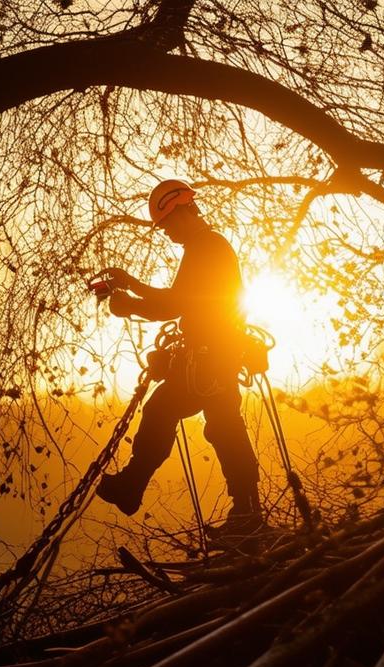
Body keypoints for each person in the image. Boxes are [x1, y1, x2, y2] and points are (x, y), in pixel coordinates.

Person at [95, 179, 263, 535]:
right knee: (222, 427)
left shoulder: (208, 248)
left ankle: (133, 486)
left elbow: (175, 303)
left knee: (173, 413)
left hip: (213, 357)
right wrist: (132, 290)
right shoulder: (204, 247)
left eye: (168, 224)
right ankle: (247, 512)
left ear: (184, 212)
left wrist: (131, 301)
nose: (167, 233)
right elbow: (178, 300)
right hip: (214, 355)